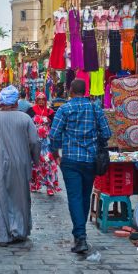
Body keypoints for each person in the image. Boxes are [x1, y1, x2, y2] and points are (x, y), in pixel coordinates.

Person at [49, 79, 111, 254]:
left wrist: (55, 153)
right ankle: (80, 234)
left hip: (71, 159)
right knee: (84, 197)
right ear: (85, 91)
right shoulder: (95, 108)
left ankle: (80, 236)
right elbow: (106, 133)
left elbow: (54, 134)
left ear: (70, 91)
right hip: (90, 159)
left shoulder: (64, 109)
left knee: (75, 197)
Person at [0, 85, 40, 246]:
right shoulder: (25, 119)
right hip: (21, 163)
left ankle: (1, 235)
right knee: (21, 197)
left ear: (1, 101)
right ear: (16, 101)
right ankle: (20, 231)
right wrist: (35, 160)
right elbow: (34, 142)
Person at [26, 93, 60, 196]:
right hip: (34, 142)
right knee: (34, 164)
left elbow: (55, 127)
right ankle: (34, 184)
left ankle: (50, 186)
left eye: (43, 99)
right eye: (39, 99)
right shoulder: (30, 111)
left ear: (46, 100)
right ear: (36, 100)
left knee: (48, 164)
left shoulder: (50, 112)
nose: (41, 101)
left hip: (46, 143)